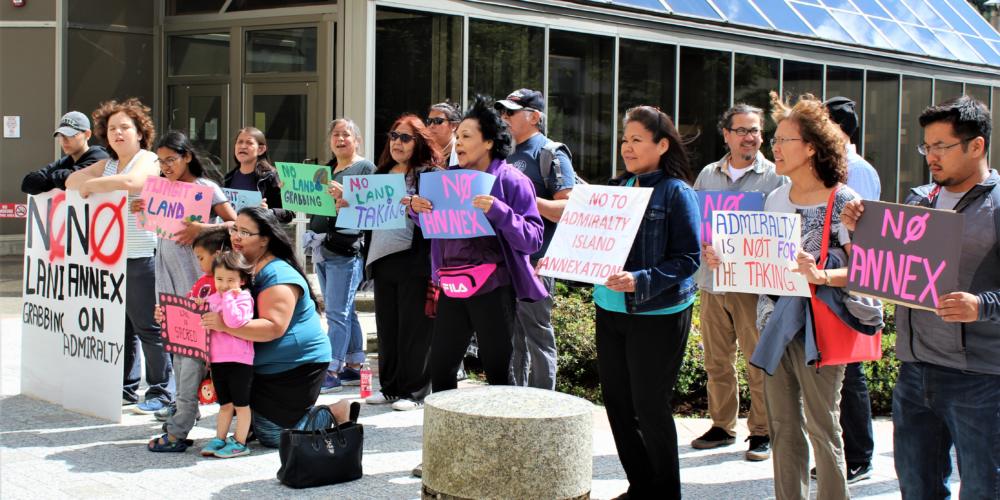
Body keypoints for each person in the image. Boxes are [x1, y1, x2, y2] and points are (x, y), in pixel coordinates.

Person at [713, 91, 872, 500]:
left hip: (821, 330)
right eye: (776, 139)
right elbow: (760, 262)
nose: (775, 148)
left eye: (784, 140)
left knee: (823, 427)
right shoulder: (774, 198)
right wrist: (725, 258)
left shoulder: (844, 201)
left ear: (812, 147)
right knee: (783, 427)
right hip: (773, 324)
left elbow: (867, 272)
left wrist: (821, 275)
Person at [841, 95, 1000, 500]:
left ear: (976, 145)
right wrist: (861, 230)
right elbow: (890, 269)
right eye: (926, 146)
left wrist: (982, 305)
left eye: (941, 146)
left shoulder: (997, 205)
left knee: (983, 489)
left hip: (981, 381)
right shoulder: (918, 199)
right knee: (916, 488)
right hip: (914, 373)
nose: (931, 156)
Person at [594, 105, 700, 499]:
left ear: (662, 144)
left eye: (637, 140)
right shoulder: (616, 188)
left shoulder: (676, 192)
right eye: (625, 140)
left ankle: (665, 492)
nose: (627, 147)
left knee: (650, 406)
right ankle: (640, 486)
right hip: (610, 309)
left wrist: (640, 280)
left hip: (657, 313)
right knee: (618, 406)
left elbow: (688, 259)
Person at [409, 95, 546, 393]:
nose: (458, 143)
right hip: (452, 284)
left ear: (488, 142)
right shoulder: (446, 180)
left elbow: (533, 238)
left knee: (498, 370)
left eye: (466, 136)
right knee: (441, 367)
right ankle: (447, 424)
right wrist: (417, 210)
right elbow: (439, 226)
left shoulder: (512, 180)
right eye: (457, 137)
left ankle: (502, 423)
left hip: (494, 288)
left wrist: (499, 211)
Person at [202, 207, 344, 448]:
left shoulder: (277, 274)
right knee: (253, 422)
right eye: (235, 229)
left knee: (275, 436)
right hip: (251, 363)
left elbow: (273, 327)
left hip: (296, 364)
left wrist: (224, 325)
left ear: (265, 240)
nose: (236, 237)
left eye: (245, 232)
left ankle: (335, 412)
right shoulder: (236, 268)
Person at [691, 104, 785, 461]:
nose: (750, 137)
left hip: (751, 286)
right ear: (726, 134)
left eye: (755, 130)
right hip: (711, 282)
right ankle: (722, 425)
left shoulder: (776, 178)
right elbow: (696, 221)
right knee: (717, 361)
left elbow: (781, 232)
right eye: (742, 130)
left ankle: (761, 431)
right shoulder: (708, 175)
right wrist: (705, 246)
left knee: (757, 361)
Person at [65, 98, 172, 411]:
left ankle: (160, 391)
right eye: (112, 128)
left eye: (125, 127)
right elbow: (72, 181)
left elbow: (134, 182)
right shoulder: (108, 164)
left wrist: (95, 185)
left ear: (140, 132)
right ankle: (126, 388)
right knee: (121, 329)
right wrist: (96, 182)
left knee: (148, 328)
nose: (118, 133)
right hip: (112, 261)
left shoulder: (148, 159)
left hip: (143, 256)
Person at [137, 131, 236, 450]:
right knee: (179, 355)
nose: (165, 166)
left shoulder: (206, 188)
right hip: (168, 287)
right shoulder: (161, 188)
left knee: (189, 358)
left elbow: (237, 225)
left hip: (198, 289)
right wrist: (142, 208)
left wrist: (202, 229)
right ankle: (182, 414)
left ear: (187, 157)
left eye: (171, 159)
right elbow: (159, 234)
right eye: (160, 161)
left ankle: (179, 428)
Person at [495, 88, 577, 390]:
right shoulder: (502, 153)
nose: (504, 117)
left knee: (537, 335)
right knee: (510, 338)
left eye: (511, 112)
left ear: (534, 117)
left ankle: (544, 402)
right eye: (502, 112)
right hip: (503, 260)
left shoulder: (550, 153)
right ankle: (514, 399)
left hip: (537, 261)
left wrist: (523, 200)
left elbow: (567, 208)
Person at [817, 96, 881, 484]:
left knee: (850, 370)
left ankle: (859, 456)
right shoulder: (834, 168)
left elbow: (863, 235)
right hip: (827, 282)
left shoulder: (857, 172)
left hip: (847, 284)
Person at [359, 114, 440, 411]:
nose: (397, 142)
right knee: (387, 327)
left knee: (414, 328)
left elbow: (440, 215)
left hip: (415, 259)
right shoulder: (380, 174)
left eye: (405, 138)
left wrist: (419, 206)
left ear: (419, 142)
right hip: (382, 259)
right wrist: (347, 203)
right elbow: (364, 214)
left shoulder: (430, 175)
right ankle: (390, 387)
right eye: (394, 136)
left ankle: (415, 392)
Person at [306, 119, 375, 393]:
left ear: (357, 140)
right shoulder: (325, 170)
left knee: (336, 312)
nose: (340, 139)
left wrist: (348, 196)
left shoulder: (366, 168)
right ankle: (354, 365)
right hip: (322, 248)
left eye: (346, 134)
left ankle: (332, 370)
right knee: (345, 311)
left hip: (346, 249)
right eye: (336, 134)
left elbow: (374, 206)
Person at [199, 251, 256, 459]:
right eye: (219, 279)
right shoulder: (211, 299)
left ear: (242, 280)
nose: (224, 285)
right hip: (217, 360)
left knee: (241, 405)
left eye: (230, 280)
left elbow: (234, 322)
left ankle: (240, 442)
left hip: (240, 360)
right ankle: (219, 438)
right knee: (225, 405)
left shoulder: (244, 298)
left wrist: (229, 298)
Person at [21, 111, 109, 195]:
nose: (64, 140)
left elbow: (68, 179)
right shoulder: (66, 161)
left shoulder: (99, 157)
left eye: (71, 135)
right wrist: (57, 178)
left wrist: (52, 178)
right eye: (61, 135)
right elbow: (28, 183)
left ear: (87, 134)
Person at [224, 127, 294, 223]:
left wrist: (268, 212)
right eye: (239, 142)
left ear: (261, 149)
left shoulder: (271, 177)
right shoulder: (228, 178)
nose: (243, 146)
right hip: (233, 232)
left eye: (249, 143)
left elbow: (289, 213)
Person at [426, 101, 461, 167]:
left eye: (438, 121)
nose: (431, 126)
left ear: (454, 126)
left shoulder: (463, 154)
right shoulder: (423, 153)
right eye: (429, 121)